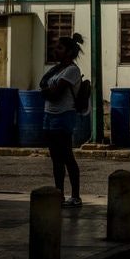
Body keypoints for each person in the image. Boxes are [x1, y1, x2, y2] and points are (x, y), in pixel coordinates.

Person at [39, 33, 85, 208]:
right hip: (49, 115)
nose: (55, 50)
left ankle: (76, 196)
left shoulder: (72, 70)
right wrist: (48, 91)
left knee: (66, 156)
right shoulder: (55, 70)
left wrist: (48, 92)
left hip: (63, 116)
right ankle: (59, 193)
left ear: (69, 51)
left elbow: (55, 94)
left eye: (60, 48)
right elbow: (44, 87)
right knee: (55, 159)